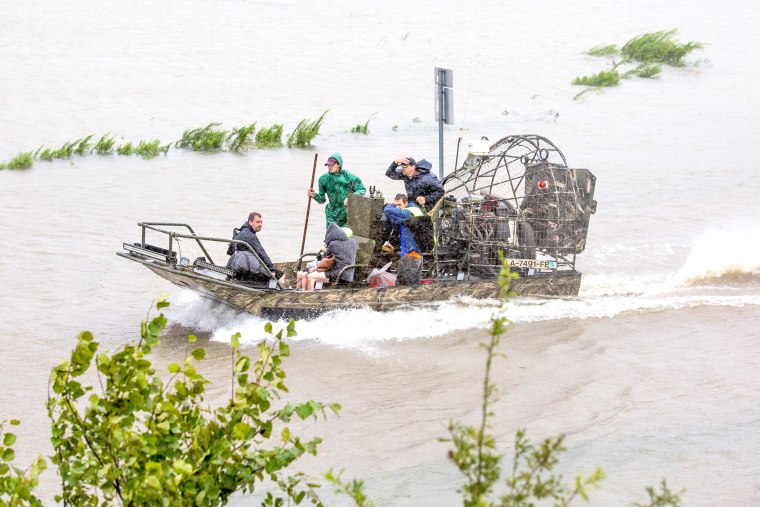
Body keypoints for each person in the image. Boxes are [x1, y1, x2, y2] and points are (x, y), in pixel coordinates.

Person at [308, 152, 366, 228]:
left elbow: (361, 189)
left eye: (332, 165)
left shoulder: (348, 176)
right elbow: (322, 200)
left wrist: (350, 197)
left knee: (346, 237)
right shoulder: (323, 179)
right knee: (331, 237)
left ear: (339, 165)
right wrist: (314, 195)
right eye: (328, 165)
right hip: (332, 214)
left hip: (347, 214)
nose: (330, 167)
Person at [228, 211, 285, 284]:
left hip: (237, 267)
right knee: (280, 274)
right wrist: (272, 270)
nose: (260, 224)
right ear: (250, 222)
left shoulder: (241, 231)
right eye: (257, 222)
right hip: (247, 270)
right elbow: (262, 253)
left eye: (261, 222)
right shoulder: (250, 236)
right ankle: (280, 292)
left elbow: (231, 251)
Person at [296, 223, 357, 291]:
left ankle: (310, 296)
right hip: (349, 274)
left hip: (338, 274)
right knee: (310, 275)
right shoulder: (352, 242)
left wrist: (323, 251)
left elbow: (324, 260)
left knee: (310, 277)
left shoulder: (333, 244)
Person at [383, 194, 426, 285]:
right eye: (396, 205)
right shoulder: (416, 210)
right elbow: (397, 222)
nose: (397, 208)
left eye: (399, 205)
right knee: (414, 285)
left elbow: (387, 211)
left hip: (410, 254)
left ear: (406, 203)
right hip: (418, 255)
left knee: (402, 285)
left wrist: (390, 205)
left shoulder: (407, 213)